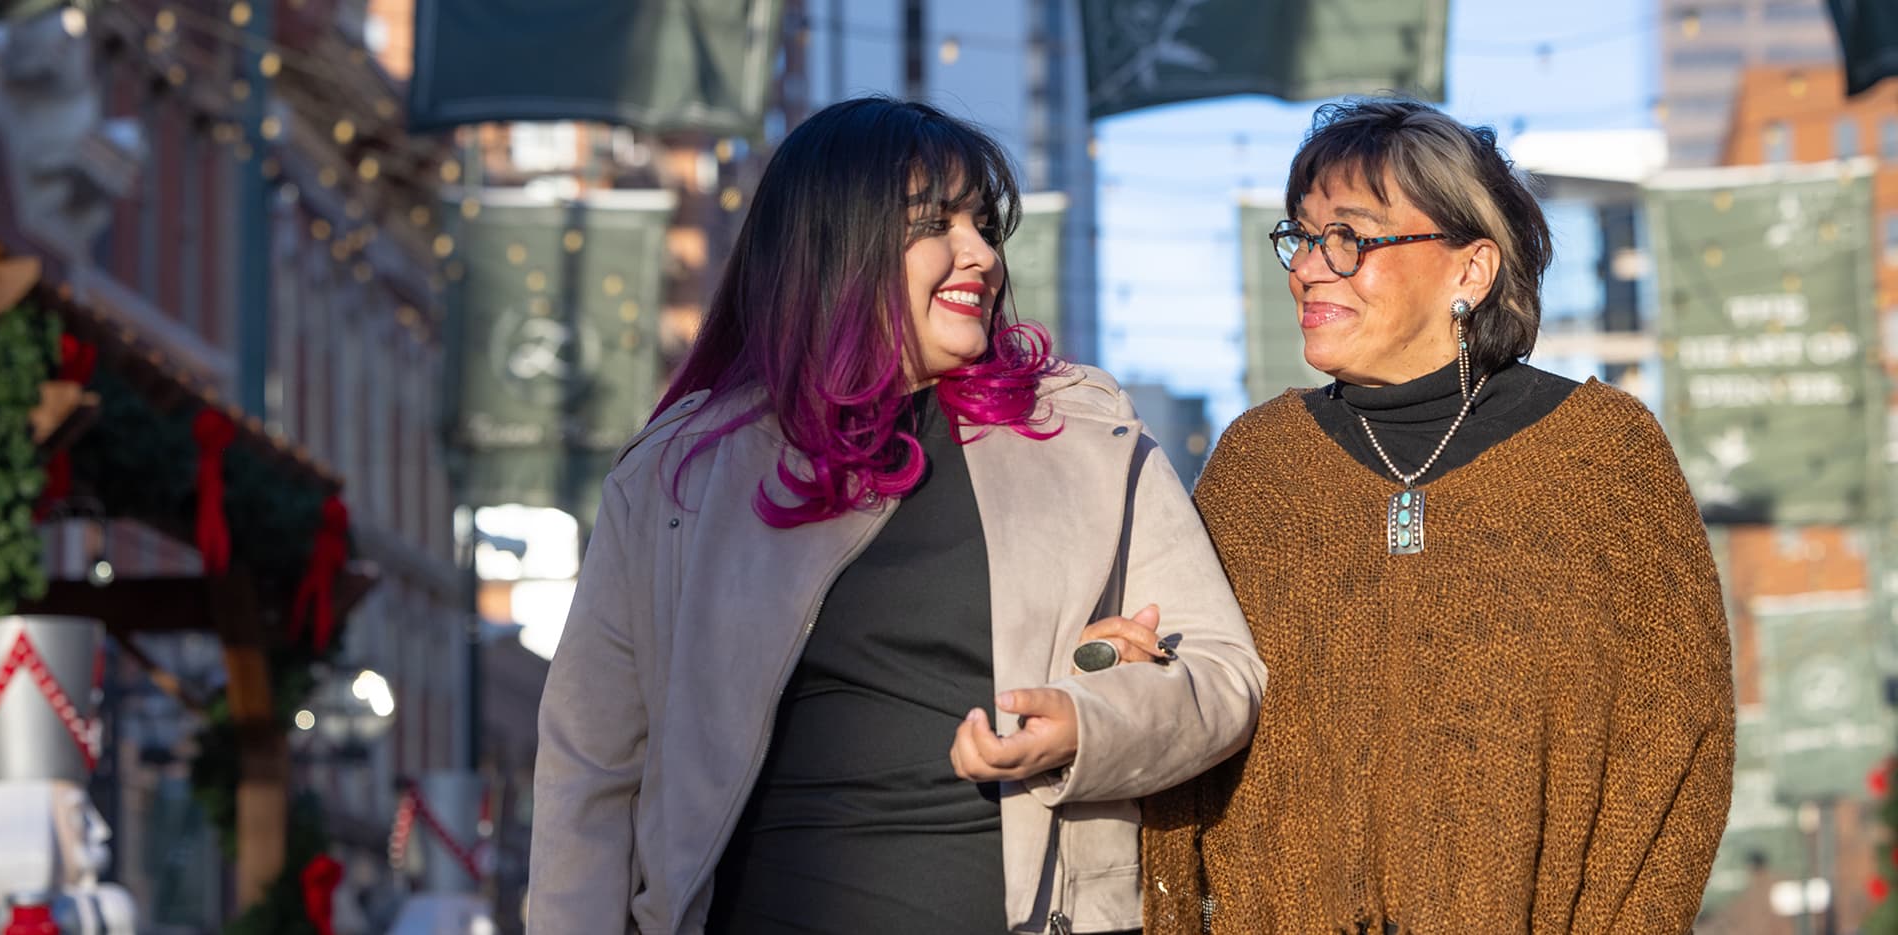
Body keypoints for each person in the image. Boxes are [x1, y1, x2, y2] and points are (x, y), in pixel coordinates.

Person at [529, 96, 1267, 935]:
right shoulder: (675, 475)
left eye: (984, 224)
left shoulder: (1086, 430)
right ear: (833, 243)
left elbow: (1223, 674)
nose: (981, 254)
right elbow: (589, 774)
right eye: (936, 223)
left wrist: (1086, 726)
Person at [1139, 97, 1735, 934]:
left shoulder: (1603, 459)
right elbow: (1193, 729)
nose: (1309, 267)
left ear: (1471, 269)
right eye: (1301, 236)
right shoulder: (1257, 469)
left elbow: (1678, 739)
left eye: (1349, 236)